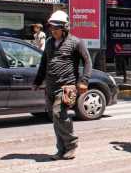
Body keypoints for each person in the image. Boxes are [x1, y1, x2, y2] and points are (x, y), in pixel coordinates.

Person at [32, 10, 92, 160]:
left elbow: (87, 61)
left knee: (60, 114)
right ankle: (61, 149)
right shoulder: (50, 43)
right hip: (50, 86)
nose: (53, 31)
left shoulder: (76, 42)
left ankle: (71, 144)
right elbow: (44, 63)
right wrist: (38, 81)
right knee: (55, 118)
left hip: (67, 87)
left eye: (56, 28)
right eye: (51, 28)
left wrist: (84, 80)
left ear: (65, 28)